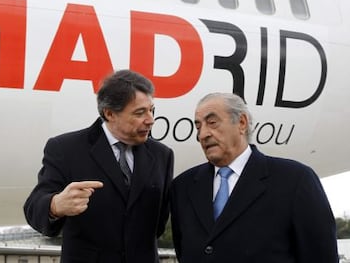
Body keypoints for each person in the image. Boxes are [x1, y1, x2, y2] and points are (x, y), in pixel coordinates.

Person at [24, 69, 174, 263]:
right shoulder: (65, 149)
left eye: (151, 110)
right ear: (110, 113)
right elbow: (34, 208)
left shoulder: (162, 155)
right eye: (140, 113)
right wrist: (55, 205)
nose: (151, 120)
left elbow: (159, 223)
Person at [170, 92, 339, 263]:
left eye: (212, 123)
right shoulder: (183, 187)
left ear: (242, 123)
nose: (203, 134)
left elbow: (321, 255)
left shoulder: (295, 180)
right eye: (198, 126)